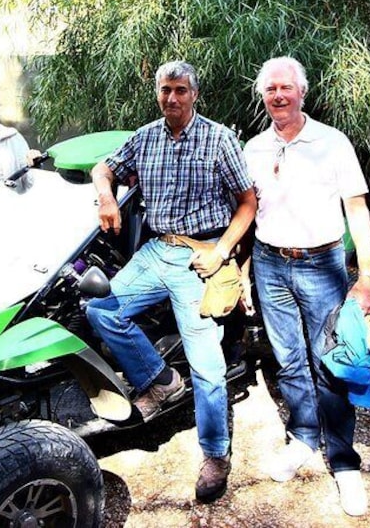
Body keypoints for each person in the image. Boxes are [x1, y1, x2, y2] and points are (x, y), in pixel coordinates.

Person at [86, 60, 256, 504]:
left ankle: (216, 454)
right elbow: (102, 169)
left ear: (194, 95)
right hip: (157, 250)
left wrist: (222, 252)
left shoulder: (219, 139)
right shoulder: (145, 137)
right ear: (158, 93)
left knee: (207, 365)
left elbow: (247, 203)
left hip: (201, 255)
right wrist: (106, 196)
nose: (172, 98)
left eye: (181, 90)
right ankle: (160, 381)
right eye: (166, 90)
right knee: (100, 308)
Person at [242, 56, 370, 517]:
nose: (278, 96)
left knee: (330, 362)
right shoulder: (254, 148)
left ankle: (343, 461)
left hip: (322, 264)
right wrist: (243, 270)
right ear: (263, 97)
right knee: (288, 360)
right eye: (270, 90)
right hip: (269, 264)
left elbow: (356, 210)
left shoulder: (332, 142)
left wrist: (367, 276)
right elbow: (247, 211)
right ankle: (303, 436)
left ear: (302, 92)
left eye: (285, 88)